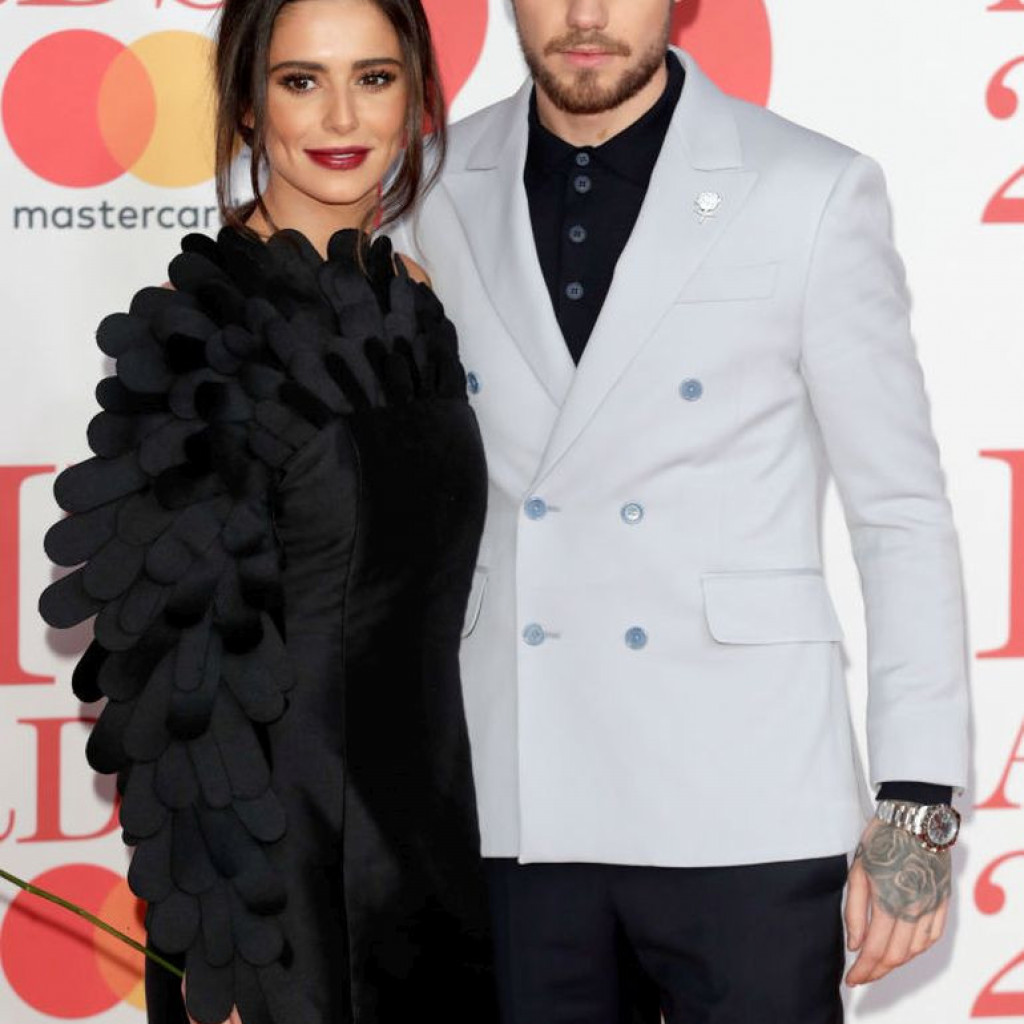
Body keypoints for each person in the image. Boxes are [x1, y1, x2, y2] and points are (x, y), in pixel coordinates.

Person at [392, 1, 970, 1021]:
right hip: (516, 790)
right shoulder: (428, 186)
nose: (584, 14)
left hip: (746, 793)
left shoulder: (808, 187)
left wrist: (917, 803)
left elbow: (899, 510)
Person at [38, 2, 499, 1023]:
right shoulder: (203, 340)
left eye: (373, 77)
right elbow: (177, 685)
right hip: (277, 891)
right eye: (300, 81)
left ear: (416, 98)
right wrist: (232, 947)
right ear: (248, 106)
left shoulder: (414, 297)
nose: (341, 116)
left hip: (430, 854)